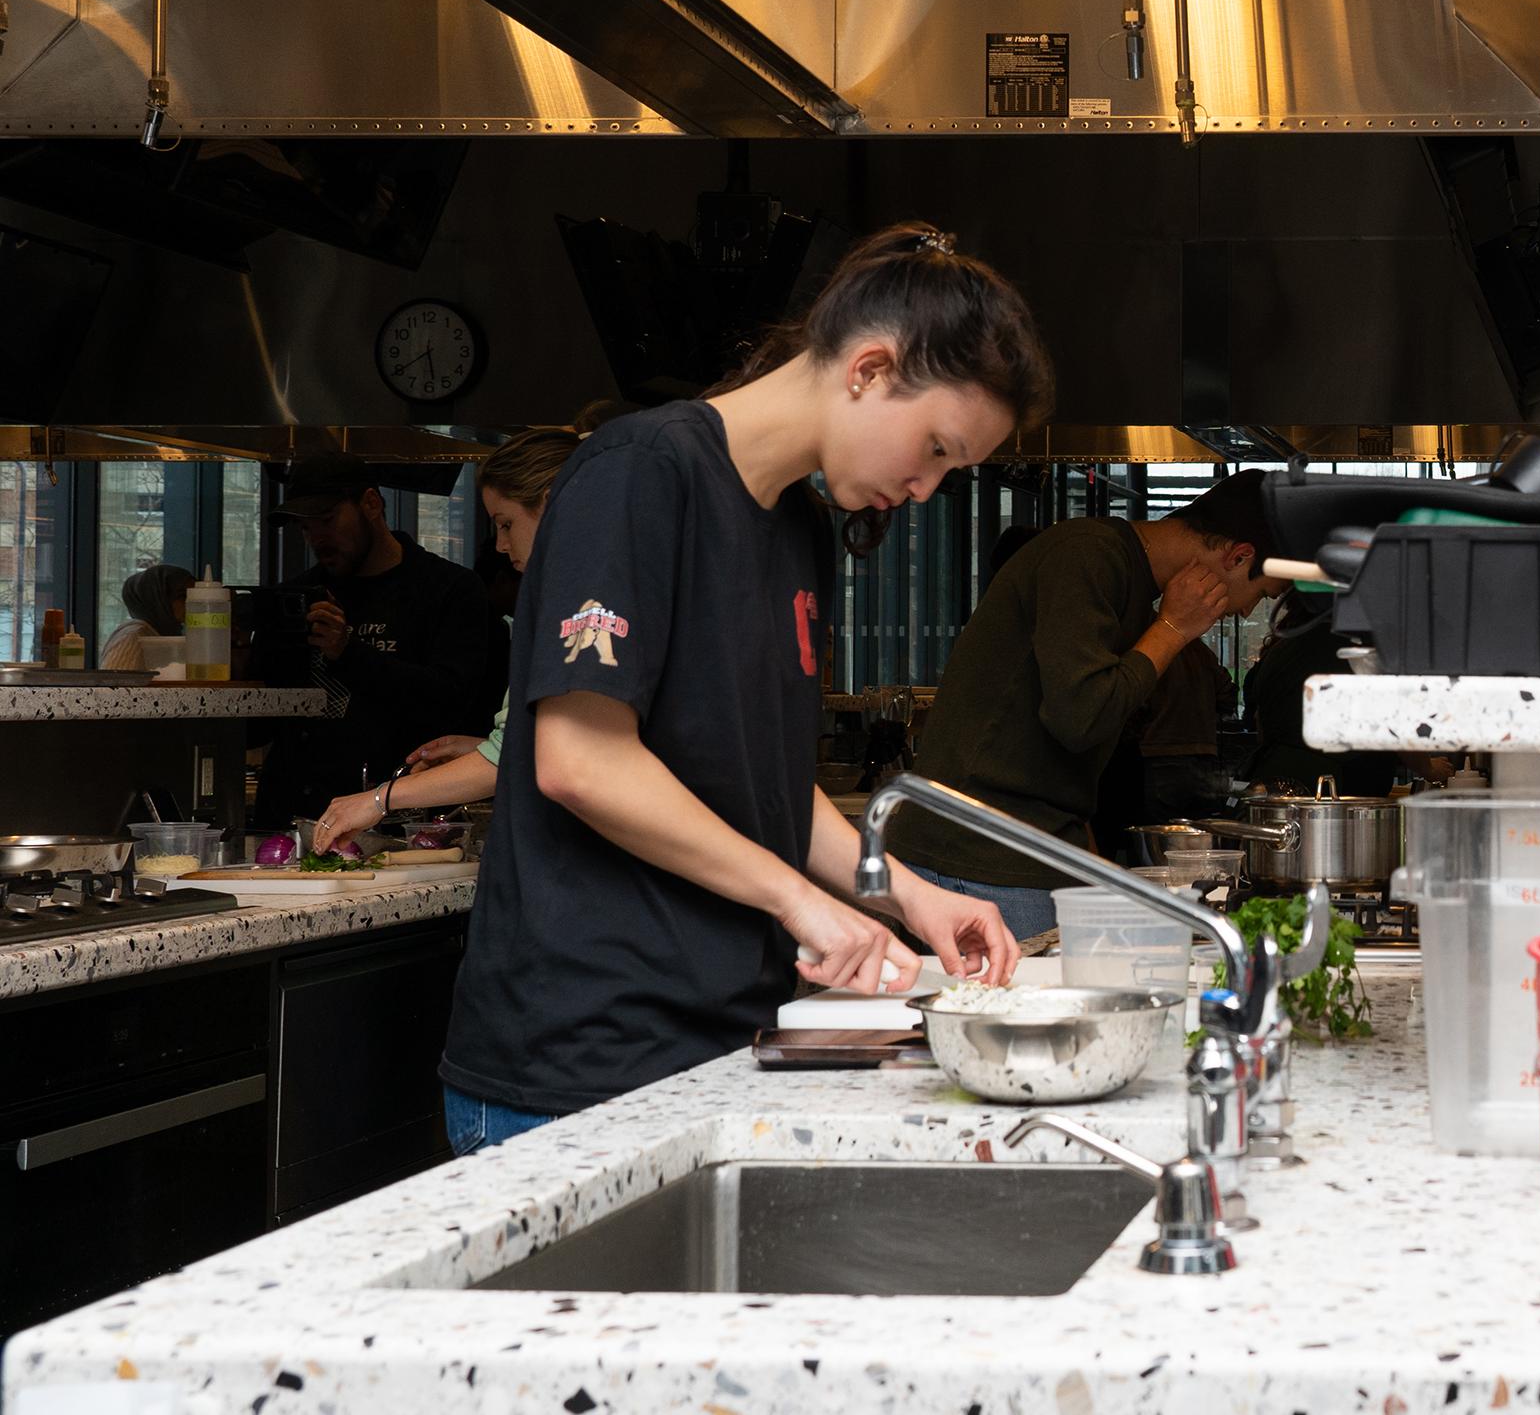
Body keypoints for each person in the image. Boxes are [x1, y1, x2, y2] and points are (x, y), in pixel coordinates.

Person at [437, 223, 1044, 1153]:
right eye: (934, 449)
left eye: (949, 474)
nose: (925, 488)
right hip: (578, 1062)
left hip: (715, 1040)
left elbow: (755, 776)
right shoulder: (639, 472)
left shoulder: (796, 527)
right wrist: (798, 902)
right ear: (869, 370)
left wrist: (906, 894)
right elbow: (578, 761)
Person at [887, 470, 1288, 935]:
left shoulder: (1126, 577)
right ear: (1239, 556)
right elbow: (1080, 717)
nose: (1246, 611)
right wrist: (1173, 629)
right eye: (1260, 594)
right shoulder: (1087, 555)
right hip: (980, 855)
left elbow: (1073, 749)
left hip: (1025, 849)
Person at [306, 429, 581, 853]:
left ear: (551, 503)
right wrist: (481, 747)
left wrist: (380, 799)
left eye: (507, 524)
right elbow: (542, 745)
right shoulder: (578, 596)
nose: (503, 545)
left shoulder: (576, 607)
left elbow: (518, 753)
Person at [252, 453, 509, 825]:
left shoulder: (447, 589)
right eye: (305, 528)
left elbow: (451, 702)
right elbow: (261, 725)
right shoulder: (297, 596)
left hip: (398, 816)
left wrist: (348, 652)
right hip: (291, 816)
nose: (317, 538)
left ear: (371, 503)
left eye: (326, 520)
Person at [1240, 587, 1397, 799]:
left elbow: (1259, 720)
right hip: (1339, 789)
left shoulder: (1283, 648)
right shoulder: (1356, 650)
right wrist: (1429, 769)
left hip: (1278, 773)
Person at [99, 563, 194, 671]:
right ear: (158, 600)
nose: (192, 603)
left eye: (195, 596)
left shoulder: (164, 635)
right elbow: (114, 685)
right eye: (183, 596)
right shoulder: (134, 637)